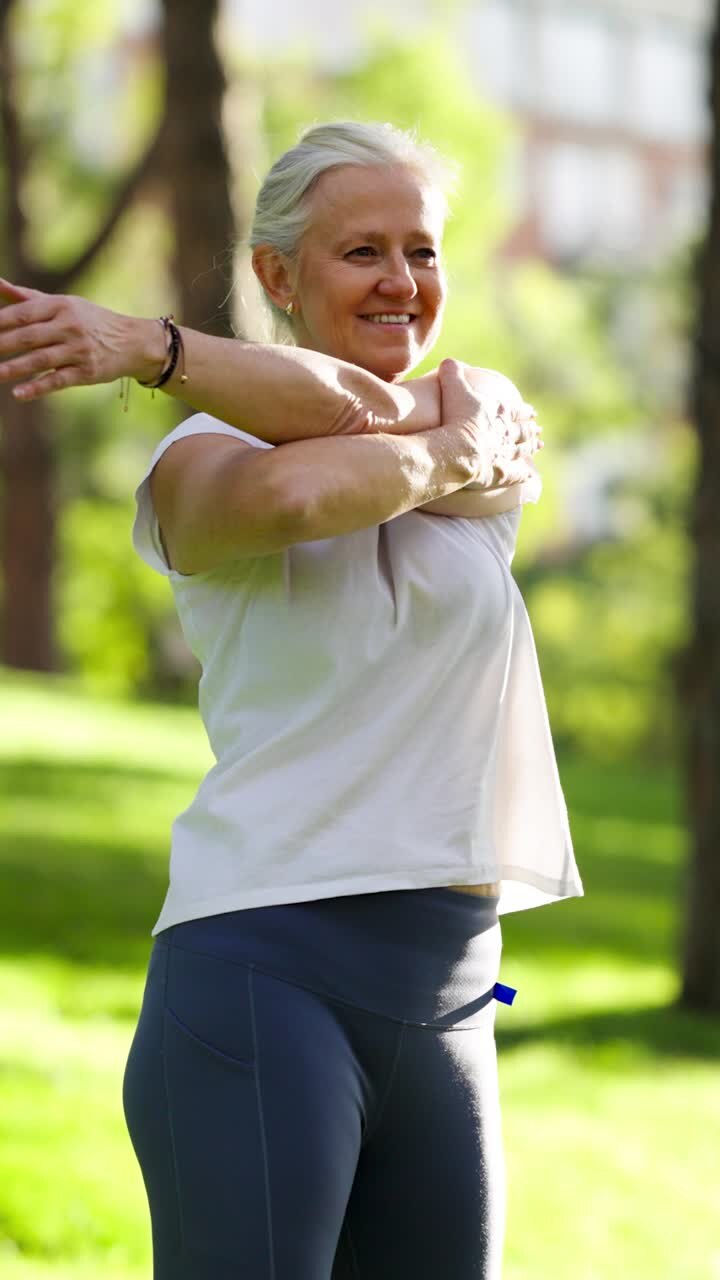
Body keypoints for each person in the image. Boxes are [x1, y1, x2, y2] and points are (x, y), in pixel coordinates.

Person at [0, 120, 583, 1279]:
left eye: (423, 250)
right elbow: (305, 490)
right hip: (265, 967)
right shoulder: (193, 465)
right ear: (276, 275)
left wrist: (147, 345)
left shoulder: (482, 405)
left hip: (453, 986)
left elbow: (351, 431)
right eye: (362, 250)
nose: (403, 282)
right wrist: (444, 453)